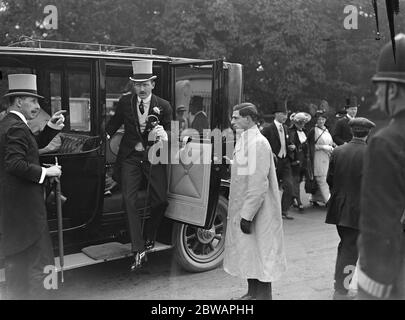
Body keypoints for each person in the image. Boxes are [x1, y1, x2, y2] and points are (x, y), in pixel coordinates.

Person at [0, 74, 65, 299]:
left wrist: (49, 128)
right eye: (33, 101)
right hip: (28, 210)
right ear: (19, 101)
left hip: (12, 211)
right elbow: (15, 163)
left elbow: (28, 148)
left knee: (17, 267)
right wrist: (47, 172)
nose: (37, 106)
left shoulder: (8, 124)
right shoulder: (17, 127)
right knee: (43, 264)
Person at [105, 60, 172, 271]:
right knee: (129, 200)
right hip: (130, 158)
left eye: (145, 84)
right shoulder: (125, 102)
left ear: (153, 83)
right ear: (133, 85)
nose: (141, 89)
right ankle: (138, 248)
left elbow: (174, 133)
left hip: (154, 156)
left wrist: (165, 135)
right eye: (137, 84)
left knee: (160, 200)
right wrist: (100, 140)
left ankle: (150, 236)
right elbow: (112, 126)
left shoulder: (164, 105)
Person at [357, 34, 405, 299]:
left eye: (380, 85)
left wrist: (371, 291)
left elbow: (379, 233)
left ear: (394, 89)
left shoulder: (386, 142)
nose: (376, 93)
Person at [224, 102, 287, 300]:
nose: (232, 121)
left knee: (261, 252)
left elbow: (259, 183)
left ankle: (263, 296)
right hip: (245, 205)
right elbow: (247, 168)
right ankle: (252, 293)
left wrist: (247, 215)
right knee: (249, 252)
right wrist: (232, 164)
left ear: (249, 119)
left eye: (236, 117)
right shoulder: (245, 138)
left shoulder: (258, 142)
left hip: (257, 209)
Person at [325, 117, 375, 300]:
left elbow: (329, 180)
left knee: (345, 245)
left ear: (352, 131)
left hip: (340, 208)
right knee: (351, 249)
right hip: (362, 209)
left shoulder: (338, 151)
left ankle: (341, 286)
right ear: (368, 133)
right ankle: (342, 290)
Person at [261, 102, 295, 220]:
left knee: (290, 186)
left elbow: (287, 142)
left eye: (286, 114)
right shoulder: (268, 129)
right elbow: (262, 144)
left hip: (285, 161)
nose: (285, 117)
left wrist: (291, 146)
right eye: (283, 114)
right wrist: (271, 153)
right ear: (276, 114)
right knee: (271, 188)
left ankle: (284, 210)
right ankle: (268, 211)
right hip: (274, 162)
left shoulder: (285, 128)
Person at [307, 110, 334, 206]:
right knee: (321, 178)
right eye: (319, 119)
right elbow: (310, 146)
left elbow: (330, 142)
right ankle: (329, 200)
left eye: (323, 119)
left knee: (324, 177)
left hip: (326, 157)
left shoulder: (326, 130)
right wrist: (322, 147)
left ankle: (314, 197)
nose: (321, 121)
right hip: (317, 157)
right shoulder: (313, 131)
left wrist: (331, 147)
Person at [288, 112, 311, 212]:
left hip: (304, 159)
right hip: (295, 158)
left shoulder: (305, 131)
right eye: (299, 123)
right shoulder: (290, 131)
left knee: (301, 179)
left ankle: (293, 198)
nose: (302, 125)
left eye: (303, 123)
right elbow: (289, 144)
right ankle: (298, 201)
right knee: (296, 180)